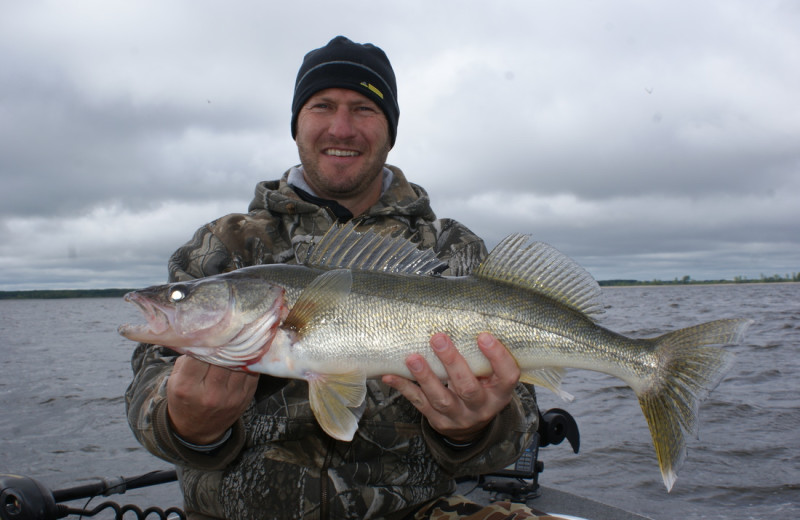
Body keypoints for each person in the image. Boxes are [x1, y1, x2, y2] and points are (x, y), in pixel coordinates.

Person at [126, 36, 540, 520]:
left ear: (390, 129)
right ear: (297, 125)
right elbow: (145, 399)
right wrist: (188, 424)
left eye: (364, 108)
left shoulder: (451, 251)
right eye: (322, 105)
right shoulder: (225, 248)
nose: (341, 128)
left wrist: (470, 429)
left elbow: (519, 426)